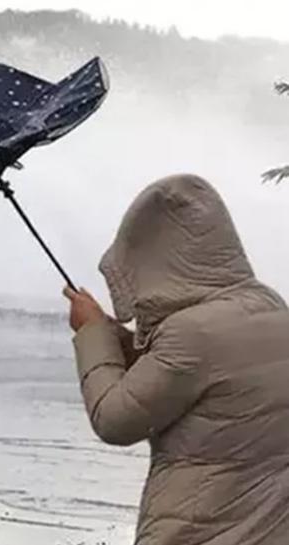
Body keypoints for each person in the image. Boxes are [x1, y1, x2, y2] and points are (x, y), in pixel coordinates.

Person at [63, 173, 289, 545]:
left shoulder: (193, 333)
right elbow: (195, 380)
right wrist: (115, 337)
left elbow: (115, 420)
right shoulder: (269, 305)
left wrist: (92, 334)